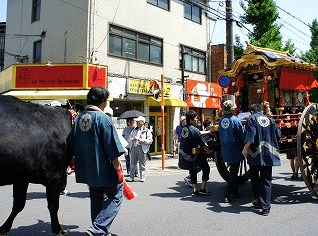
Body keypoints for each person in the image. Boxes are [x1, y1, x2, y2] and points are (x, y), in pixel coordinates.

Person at [69, 86, 125, 235]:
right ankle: (98, 228)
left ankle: (97, 231)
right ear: (103, 102)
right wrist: (118, 169)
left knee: (96, 198)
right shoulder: (103, 119)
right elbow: (112, 148)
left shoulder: (79, 118)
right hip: (104, 169)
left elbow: (71, 143)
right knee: (116, 196)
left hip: (87, 169)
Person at [242, 103, 281, 216]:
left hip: (255, 154)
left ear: (252, 111)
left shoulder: (251, 119)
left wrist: (245, 149)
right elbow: (278, 134)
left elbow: (251, 136)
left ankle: (259, 200)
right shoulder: (270, 120)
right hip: (269, 153)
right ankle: (266, 207)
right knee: (266, 180)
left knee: (254, 178)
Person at [178, 110, 212, 196]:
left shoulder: (184, 129)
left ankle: (195, 190)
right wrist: (209, 150)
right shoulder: (195, 130)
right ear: (191, 120)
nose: (197, 120)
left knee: (192, 171)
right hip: (195, 154)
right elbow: (202, 144)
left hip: (186, 154)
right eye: (196, 119)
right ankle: (203, 188)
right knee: (206, 168)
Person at [218, 100, 245, 203]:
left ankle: (235, 191)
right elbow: (241, 135)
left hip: (225, 148)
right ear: (232, 109)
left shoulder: (221, 120)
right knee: (234, 172)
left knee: (233, 171)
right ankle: (227, 194)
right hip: (235, 149)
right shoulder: (235, 120)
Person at [127, 116, 153, 182]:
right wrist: (133, 139)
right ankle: (131, 177)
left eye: (139, 121)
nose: (137, 122)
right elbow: (129, 138)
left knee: (142, 163)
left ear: (142, 122)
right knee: (132, 163)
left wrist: (141, 140)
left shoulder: (147, 130)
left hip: (142, 147)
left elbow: (150, 140)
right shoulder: (134, 129)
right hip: (134, 147)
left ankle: (142, 177)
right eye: (137, 121)